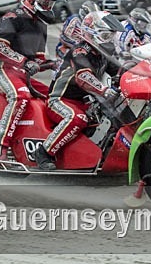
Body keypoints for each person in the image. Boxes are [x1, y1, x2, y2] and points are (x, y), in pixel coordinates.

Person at [0, 0, 65, 161]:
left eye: (50, 4)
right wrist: (23, 61)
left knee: (54, 96)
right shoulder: (12, 17)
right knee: (20, 96)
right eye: (45, 3)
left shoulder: (41, 24)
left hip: (22, 74)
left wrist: (54, 64)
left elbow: (38, 60)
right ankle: (0, 146)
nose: (48, 8)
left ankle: (46, 142)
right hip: (2, 69)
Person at [36, 11, 125, 170]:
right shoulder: (79, 52)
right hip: (59, 100)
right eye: (106, 36)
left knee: (114, 114)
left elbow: (119, 72)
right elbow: (83, 77)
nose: (110, 41)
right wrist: (104, 90)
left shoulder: (102, 54)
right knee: (78, 119)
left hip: (84, 102)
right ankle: (44, 152)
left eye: (112, 36)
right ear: (92, 33)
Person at [54, 1, 99, 72]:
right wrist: (79, 45)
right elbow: (64, 38)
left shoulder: (94, 23)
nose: (93, 18)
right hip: (68, 49)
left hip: (85, 50)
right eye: (91, 16)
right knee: (68, 69)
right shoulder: (74, 20)